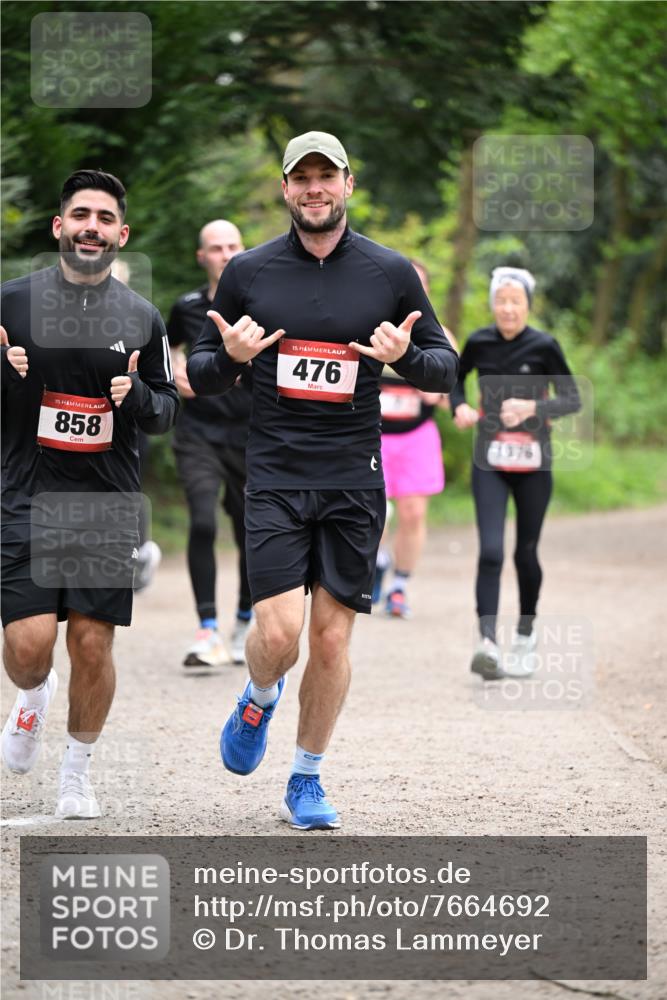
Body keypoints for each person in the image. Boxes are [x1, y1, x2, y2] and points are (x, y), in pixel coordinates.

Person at [187, 131, 458, 830]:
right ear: (285, 188)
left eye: (326, 176)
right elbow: (202, 372)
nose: (314, 188)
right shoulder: (248, 272)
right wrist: (231, 358)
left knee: (332, 641)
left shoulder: (389, 272)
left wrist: (407, 358)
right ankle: (258, 696)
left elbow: (445, 365)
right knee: (280, 636)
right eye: (301, 177)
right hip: (275, 473)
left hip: (352, 479)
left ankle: (306, 777)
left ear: (347, 184)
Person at [1, 169, 178, 818]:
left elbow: (167, 409)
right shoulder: (11, 303)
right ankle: (33, 695)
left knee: (92, 643)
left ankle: (76, 774)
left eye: (105, 219)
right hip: (24, 497)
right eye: (81, 215)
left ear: (121, 235)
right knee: (27, 650)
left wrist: (140, 398)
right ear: (59, 226)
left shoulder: (141, 317)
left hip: (105, 503)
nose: (91, 228)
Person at [450, 266, 580, 680]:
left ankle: (525, 635)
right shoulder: (479, 341)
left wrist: (533, 408)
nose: (508, 308)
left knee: (525, 553)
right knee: (490, 551)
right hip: (489, 459)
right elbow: (456, 379)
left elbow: (572, 398)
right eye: (501, 301)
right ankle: (487, 643)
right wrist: (459, 406)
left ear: (527, 305)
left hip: (533, 463)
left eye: (516, 301)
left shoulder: (544, 345)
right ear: (493, 304)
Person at [167, 220, 252, 669]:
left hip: (251, 434)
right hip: (198, 432)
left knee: (249, 531)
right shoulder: (186, 307)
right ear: (202, 257)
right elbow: (166, 347)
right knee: (202, 521)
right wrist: (175, 371)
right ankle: (207, 628)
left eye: (232, 245)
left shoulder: (262, 302)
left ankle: (244, 622)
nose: (225, 254)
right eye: (216, 248)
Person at [374, 259, 458, 618]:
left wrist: (437, 392)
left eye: (420, 284)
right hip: (371, 433)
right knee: (372, 513)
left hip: (416, 436)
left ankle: (399, 586)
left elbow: (451, 390)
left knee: (413, 513)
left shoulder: (440, 334)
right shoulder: (369, 324)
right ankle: (378, 561)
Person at [110, 258, 162, 593]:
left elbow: (159, 386)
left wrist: (137, 390)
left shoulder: (140, 323)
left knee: (127, 486)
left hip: (129, 424)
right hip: (82, 422)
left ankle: (139, 553)